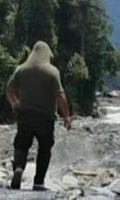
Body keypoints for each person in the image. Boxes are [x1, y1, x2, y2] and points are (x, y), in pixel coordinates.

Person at [5, 41, 72, 191]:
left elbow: (9, 89)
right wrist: (66, 116)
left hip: (25, 116)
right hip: (45, 118)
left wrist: (15, 104)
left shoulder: (21, 70)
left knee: (21, 145)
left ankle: (19, 168)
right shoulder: (52, 71)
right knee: (44, 148)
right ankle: (39, 182)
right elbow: (60, 95)